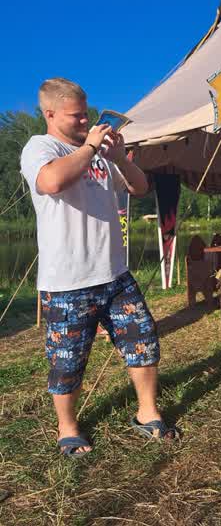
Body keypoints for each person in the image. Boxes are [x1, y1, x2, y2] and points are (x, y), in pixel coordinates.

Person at [21, 78, 175, 457]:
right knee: (67, 360)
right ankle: (68, 428)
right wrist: (89, 147)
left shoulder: (102, 155)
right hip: (67, 281)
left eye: (85, 114)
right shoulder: (40, 147)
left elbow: (139, 188)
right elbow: (52, 181)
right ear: (50, 114)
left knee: (142, 340)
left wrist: (119, 157)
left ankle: (147, 413)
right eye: (75, 116)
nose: (84, 121)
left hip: (115, 274)